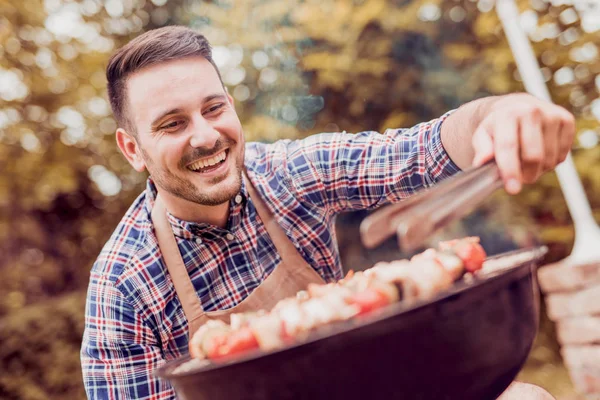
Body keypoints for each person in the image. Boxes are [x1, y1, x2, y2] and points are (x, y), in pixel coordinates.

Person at [80, 25, 572, 399]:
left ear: (230, 105)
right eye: (171, 124)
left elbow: (422, 152)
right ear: (132, 149)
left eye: (213, 109)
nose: (206, 135)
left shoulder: (289, 174)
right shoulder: (123, 285)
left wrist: (501, 116)